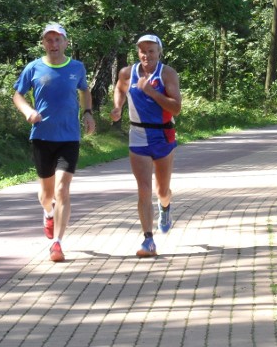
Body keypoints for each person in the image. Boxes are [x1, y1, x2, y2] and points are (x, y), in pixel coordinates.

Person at [12, 22, 96, 262]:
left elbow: (84, 90)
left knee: (62, 189)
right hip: (41, 137)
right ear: (43, 43)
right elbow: (18, 94)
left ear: (66, 43)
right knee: (46, 194)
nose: (54, 44)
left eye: (58, 39)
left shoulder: (77, 67)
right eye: (49, 40)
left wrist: (88, 112)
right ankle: (48, 213)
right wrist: (28, 110)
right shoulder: (33, 68)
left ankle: (57, 243)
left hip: (69, 137)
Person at [111, 34, 182, 258]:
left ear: (159, 52)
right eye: (142, 50)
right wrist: (117, 107)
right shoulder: (127, 73)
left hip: (162, 134)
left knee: (162, 190)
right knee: (143, 189)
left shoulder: (167, 73)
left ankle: (165, 207)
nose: (146, 55)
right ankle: (148, 240)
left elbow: (176, 108)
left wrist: (151, 91)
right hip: (138, 133)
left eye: (151, 50)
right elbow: (120, 89)